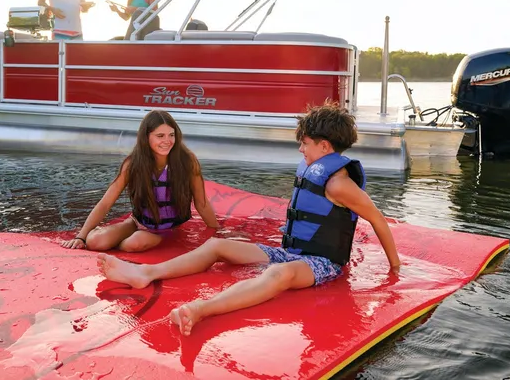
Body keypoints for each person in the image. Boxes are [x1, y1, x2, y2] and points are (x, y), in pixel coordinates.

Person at [97, 102, 401, 335]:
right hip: (290, 253)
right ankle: (146, 273)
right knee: (218, 246)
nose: (300, 149)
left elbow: (377, 220)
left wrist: (395, 270)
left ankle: (201, 309)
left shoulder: (338, 184)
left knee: (278, 275)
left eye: (305, 143)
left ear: (324, 146)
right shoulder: (315, 171)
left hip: (321, 264)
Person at [62, 110, 220, 252]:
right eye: (160, 136)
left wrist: (217, 232)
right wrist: (81, 237)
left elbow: (201, 203)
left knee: (135, 242)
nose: (167, 141)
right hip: (138, 223)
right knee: (94, 241)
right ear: (146, 137)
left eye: (171, 135)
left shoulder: (187, 161)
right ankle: (118, 239)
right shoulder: (133, 164)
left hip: (168, 230)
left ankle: (125, 243)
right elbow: (106, 203)